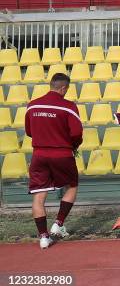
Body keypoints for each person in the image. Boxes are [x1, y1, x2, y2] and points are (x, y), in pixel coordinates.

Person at [25, 73, 83, 249]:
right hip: (62, 155)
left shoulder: (32, 105)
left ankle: (43, 237)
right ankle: (58, 223)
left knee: (39, 196)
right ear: (63, 88)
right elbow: (76, 134)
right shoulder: (69, 106)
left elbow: (29, 132)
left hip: (39, 155)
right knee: (72, 186)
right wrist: (73, 146)